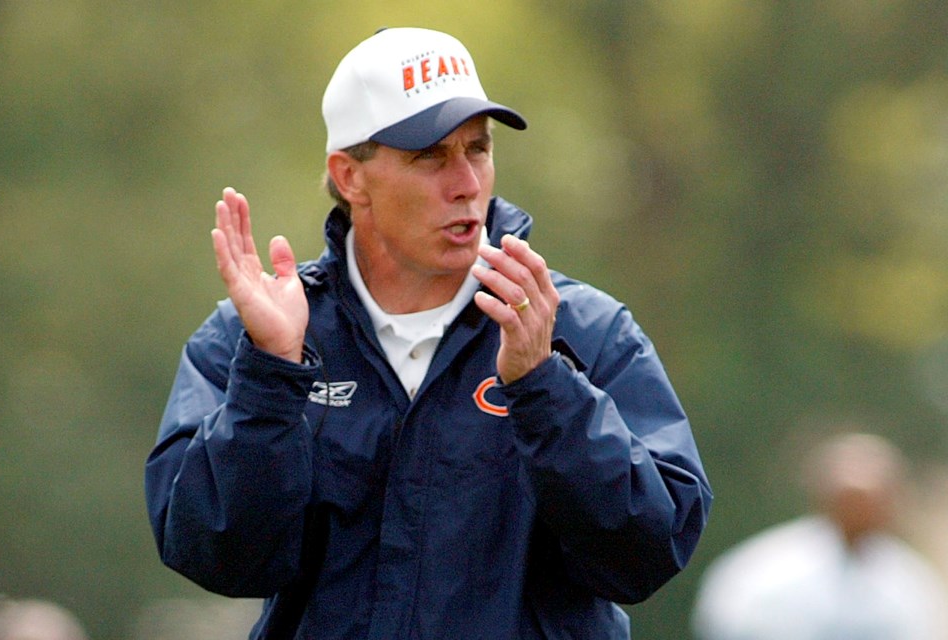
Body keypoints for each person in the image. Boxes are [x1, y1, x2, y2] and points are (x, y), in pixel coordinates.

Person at [145, 27, 712, 640]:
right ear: (351, 177)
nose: (467, 181)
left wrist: (545, 387)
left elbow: (647, 556)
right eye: (431, 157)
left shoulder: (582, 330)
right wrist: (275, 377)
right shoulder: (253, 341)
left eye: (478, 149)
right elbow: (218, 558)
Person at [691, 432, 948, 640]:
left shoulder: (911, 583)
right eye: (851, 502)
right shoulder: (764, 571)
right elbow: (724, 621)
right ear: (824, 497)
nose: (861, 513)